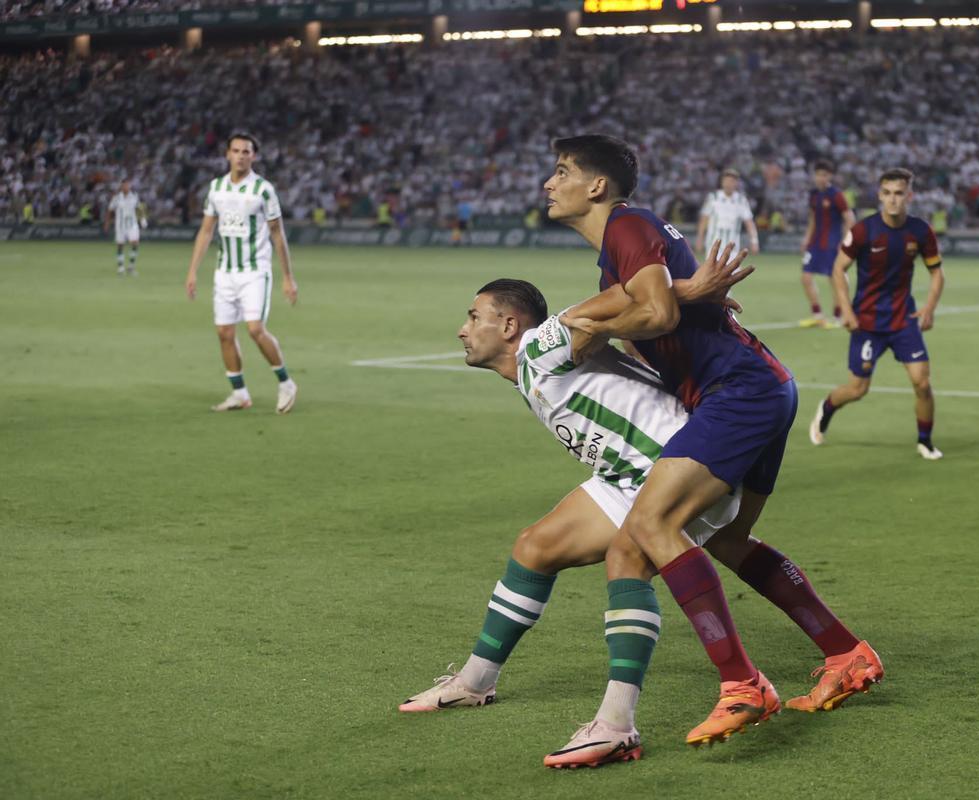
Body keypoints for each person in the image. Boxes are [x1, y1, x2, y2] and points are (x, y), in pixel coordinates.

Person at [399, 274, 878, 769]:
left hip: (672, 466)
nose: (463, 329)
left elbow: (616, 305)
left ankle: (618, 724)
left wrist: (688, 291)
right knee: (535, 547)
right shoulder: (528, 369)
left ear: (508, 325)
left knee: (628, 561)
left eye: (473, 318)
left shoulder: (540, 345)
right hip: (627, 474)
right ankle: (475, 682)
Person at [544, 134, 881, 749]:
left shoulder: (627, 225)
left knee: (651, 524)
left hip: (739, 390)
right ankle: (847, 653)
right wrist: (672, 296)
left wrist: (594, 319)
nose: (550, 182)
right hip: (764, 385)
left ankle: (742, 684)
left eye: (562, 171)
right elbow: (655, 310)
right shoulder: (623, 247)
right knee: (725, 538)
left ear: (596, 186)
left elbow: (656, 316)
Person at [808, 168, 946, 460]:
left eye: (899, 193)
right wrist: (846, 311)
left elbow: (937, 274)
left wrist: (930, 308)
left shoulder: (921, 231)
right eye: (887, 193)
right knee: (857, 389)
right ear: (880, 195)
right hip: (867, 323)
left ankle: (925, 440)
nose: (893, 200)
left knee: (922, 381)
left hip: (903, 320)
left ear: (909, 195)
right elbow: (837, 269)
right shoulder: (863, 230)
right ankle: (827, 408)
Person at [184, 133, 300, 414]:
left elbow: (277, 232)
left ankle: (286, 383)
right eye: (235, 151)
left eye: (246, 151)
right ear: (227, 154)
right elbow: (207, 229)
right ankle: (239, 393)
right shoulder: (217, 188)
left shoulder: (263, 190)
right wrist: (192, 271)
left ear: (253, 156)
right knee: (224, 332)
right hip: (225, 272)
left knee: (255, 329)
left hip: (254, 270)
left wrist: (287, 276)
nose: (240, 156)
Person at [799, 161, 855, 329]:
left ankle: (839, 315)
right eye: (818, 174)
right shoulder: (814, 195)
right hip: (815, 244)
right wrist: (806, 239)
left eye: (824, 175)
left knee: (835, 280)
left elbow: (849, 218)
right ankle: (818, 315)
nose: (820, 178)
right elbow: (812, 219)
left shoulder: (836, 195)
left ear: (829, 176)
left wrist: (845, 241)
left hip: (832, 244)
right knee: (806, 277)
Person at [695, 168, 758, 258]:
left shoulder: (741, 200)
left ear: (736, 183)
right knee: (713, 272)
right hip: (713, 245)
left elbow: (749, 223)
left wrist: (754, 241)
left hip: (732, 246)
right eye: (726, 181)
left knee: (732, 271)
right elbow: (704, 219)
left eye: (732, 181)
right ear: (722, 182)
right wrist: (699, 239)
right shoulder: (713, 197)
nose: (728, 184)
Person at [105, 179, 145, 277]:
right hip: (120, 226)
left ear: (130, 186)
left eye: (127, 185)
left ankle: (131, 267)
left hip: (132, 225)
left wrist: (143, 219)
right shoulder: (117, 198)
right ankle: (121, 268)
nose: (126, 187)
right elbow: (110, 210)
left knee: (135, 243)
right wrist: (107, 222)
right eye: (124, 185)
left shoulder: (134, 197)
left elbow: (139, 208)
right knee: (120, 245)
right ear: (121, 186)